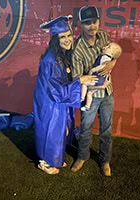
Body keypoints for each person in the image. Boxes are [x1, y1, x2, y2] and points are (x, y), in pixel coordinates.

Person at [33, 15, 98, 175]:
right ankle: (45, 161)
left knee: (62, 130)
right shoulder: (51, 60)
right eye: (63, 37)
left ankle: (54, 157)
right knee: (52, 131)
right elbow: (54, 90)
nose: (68, 39)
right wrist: (80, 81)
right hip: (50, 103)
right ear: (55, 39)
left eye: (69, 35)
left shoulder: (63, 55)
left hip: (60, 100)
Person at [71, 5, 117, 176]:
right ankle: (82, 156)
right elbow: (77, 78)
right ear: (81, 25)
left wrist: (112, 63)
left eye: (95, 21)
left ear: (99, 21)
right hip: (90, 93)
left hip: (108, 93)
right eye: (87, 23)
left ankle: (105, 160)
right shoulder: (77, 49)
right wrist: (96, 82)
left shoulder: (104, 36)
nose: (92, 26)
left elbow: (113, 56)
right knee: (85, 128)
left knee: (107, 128)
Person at [81, 42, 122, 111]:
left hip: (98, 78)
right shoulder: (108, 58)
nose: (105, 47)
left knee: (84, 84)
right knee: (90, 93)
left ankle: (82, 97)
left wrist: (92, 70)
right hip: (101, 80)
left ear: (112, 54)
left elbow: (103, 66)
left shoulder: (105, 57)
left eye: (108, 47)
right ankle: (87, 106)